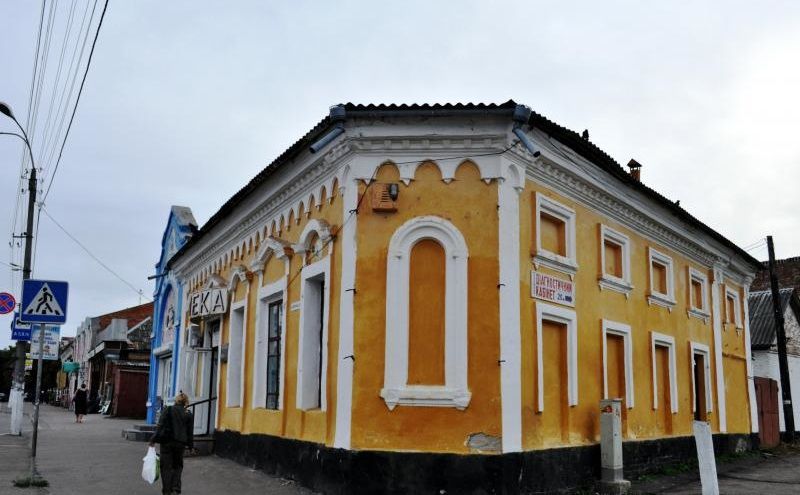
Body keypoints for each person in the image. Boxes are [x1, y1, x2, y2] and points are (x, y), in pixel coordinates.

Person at [149, 392, 194, 495]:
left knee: (166, 468)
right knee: (178, 466)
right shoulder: (188, 414)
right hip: (180, 444)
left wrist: (153, 439)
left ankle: (167, 491)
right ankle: (175, 489)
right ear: (186, 402)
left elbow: (160, 426)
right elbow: (190, 432)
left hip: (167, 443)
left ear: (176, 400)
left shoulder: (168, 409)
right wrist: (191, 446)